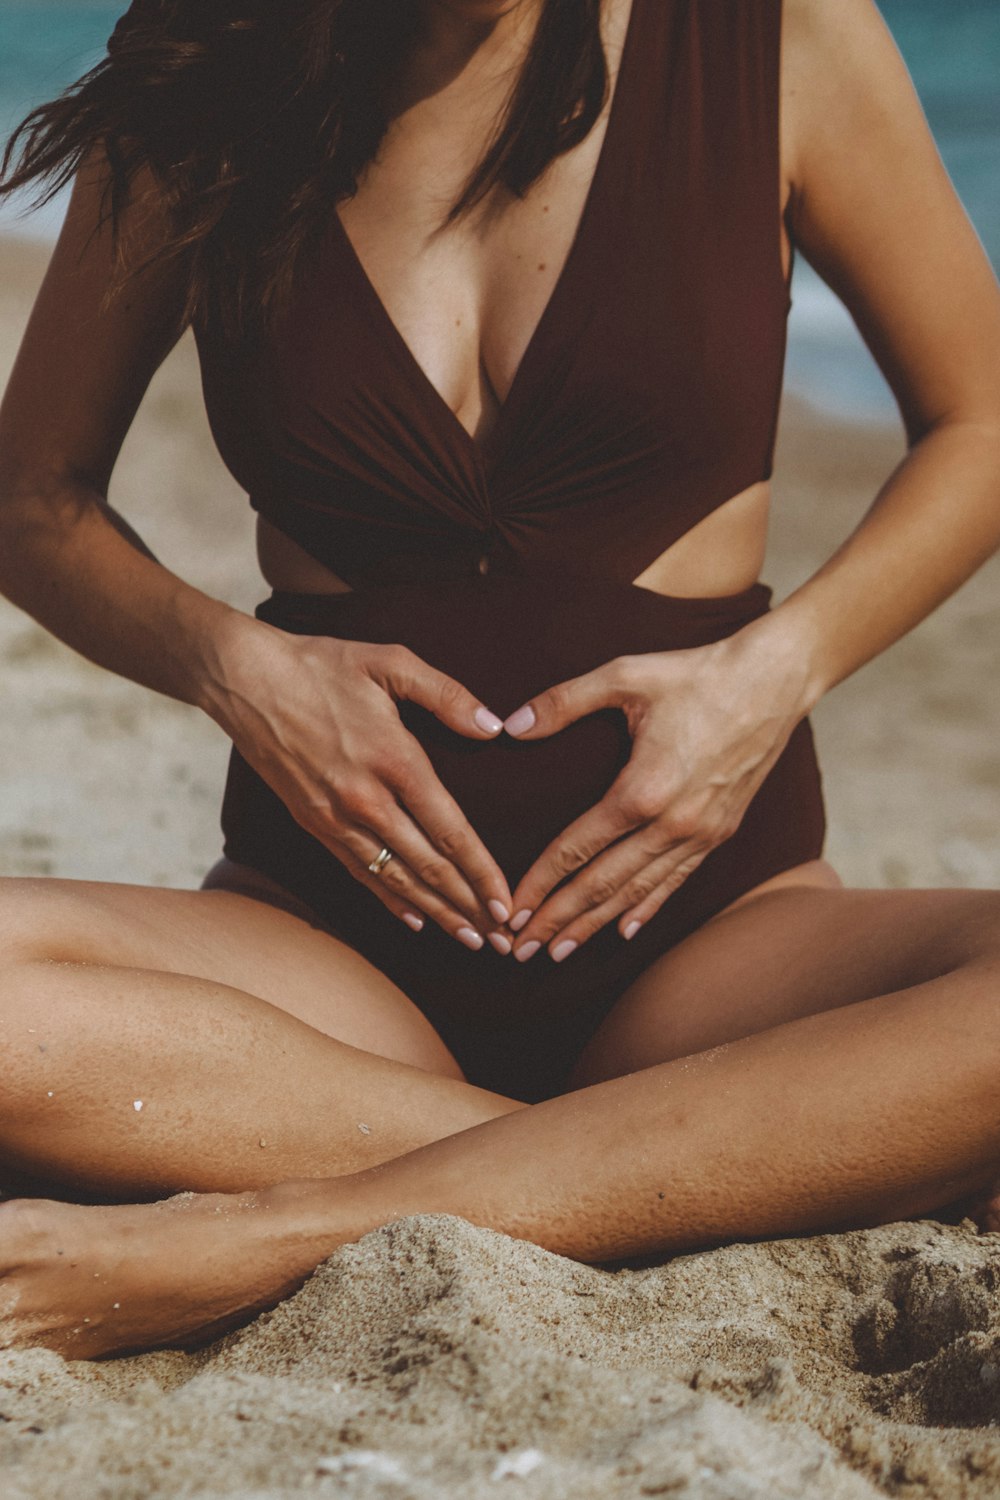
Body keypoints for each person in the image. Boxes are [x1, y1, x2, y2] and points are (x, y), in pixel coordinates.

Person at [0, 0, 998, 1362]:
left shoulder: (779, 38)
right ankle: (680, 1162)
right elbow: (30, 498)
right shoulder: (208, 59)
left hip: (713, 949)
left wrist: (778, 668)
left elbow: (980, 420)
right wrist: (235, 666)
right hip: (326, 968)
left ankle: (262, 1238)